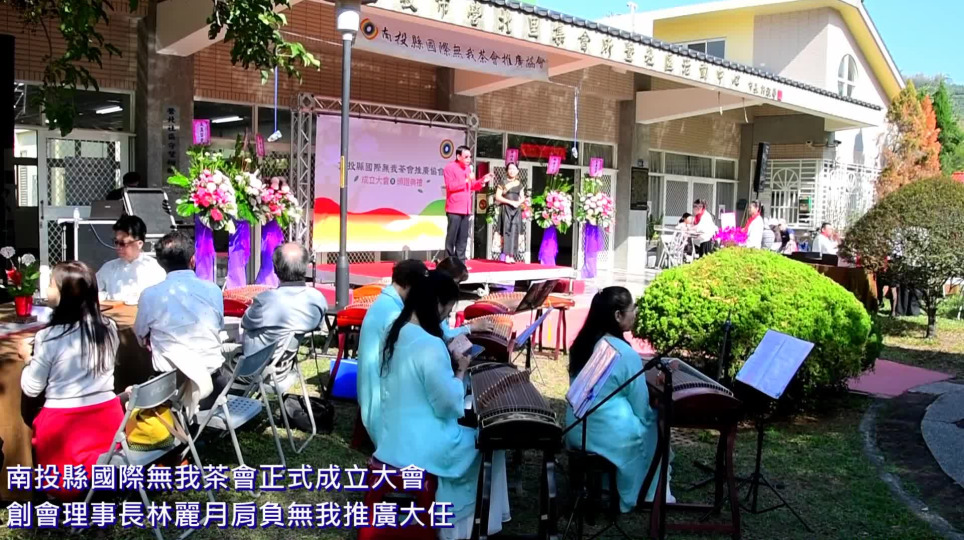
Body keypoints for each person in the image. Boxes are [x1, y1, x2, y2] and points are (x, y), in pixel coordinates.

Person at [374, 270, 510, 539]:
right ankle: (473, 526)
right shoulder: (430, 344)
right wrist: (460, 370)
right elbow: (447, 406)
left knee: (476, 437)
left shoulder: (394, 332)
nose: (445, 318)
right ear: (437, 304)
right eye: (447, 312)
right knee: (490, 443)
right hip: (424, 446)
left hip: (392, 437)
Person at [564, 286, 674, 513]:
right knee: (653, 427)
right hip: (602, 434)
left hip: (575, 426)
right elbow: (641, 408)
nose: (635, 313)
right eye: (632, 309)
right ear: (617, 315)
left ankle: (606, 484)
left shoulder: (583, 344)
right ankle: (647, 493)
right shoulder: (623, 353)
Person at [19, 261, 122, 501]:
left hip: (63, 424)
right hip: (109, 419)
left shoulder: (48, 336)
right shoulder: (109, 327)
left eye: (51, 285)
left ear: (65, 294)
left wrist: (27, 359)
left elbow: (32, 388)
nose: (46, 290)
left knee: (64, 486)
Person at [134, 231, 224, 414]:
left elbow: (140, 336)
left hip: (169, 387)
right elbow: (219, 326)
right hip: (213, 383)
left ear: (160, 263)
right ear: (193, 260)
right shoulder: (213, 289)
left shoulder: (150, 295)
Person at [224, 243, 327, 397]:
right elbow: (318, 326)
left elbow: (246, 322)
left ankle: (211, 407)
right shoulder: (317, 299)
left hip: (253, 371)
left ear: (275, 269)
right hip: (284, 369)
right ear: (305, 267)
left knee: (213, 355)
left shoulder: (266, 300)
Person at [96, 215, 166, 303]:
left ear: (139, 244)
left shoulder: (155, 269)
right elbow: (91, 291)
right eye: (116, 242)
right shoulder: (108, 268)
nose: (118, 247)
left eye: (123, 243)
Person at [443, 146, 492, 262]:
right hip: (454, 208)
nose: (469, 159)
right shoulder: (449, 168)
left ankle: (461, 262)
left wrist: (482, 181)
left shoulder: (468, 169)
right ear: (458, 156)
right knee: (451, 238)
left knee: (463, 238)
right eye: (466, 157)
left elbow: (472, 186)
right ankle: (448, 262)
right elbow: (450, 186)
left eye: (470, 157)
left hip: (466, 209)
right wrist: (466, 180)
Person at [494, 163, 527, 263]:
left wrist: (518, 203)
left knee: (515, 230)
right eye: (509, 169)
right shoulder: (503, 182)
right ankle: (506, 255)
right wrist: (510, 202)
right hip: (506, 209)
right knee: (507, 230)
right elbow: (498, 197)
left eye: (514, 169)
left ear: (517, 171)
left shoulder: (519, 184)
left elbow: (522, 197)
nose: (511, 171)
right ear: (507, 171)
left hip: (516, 210)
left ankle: (512, 255)